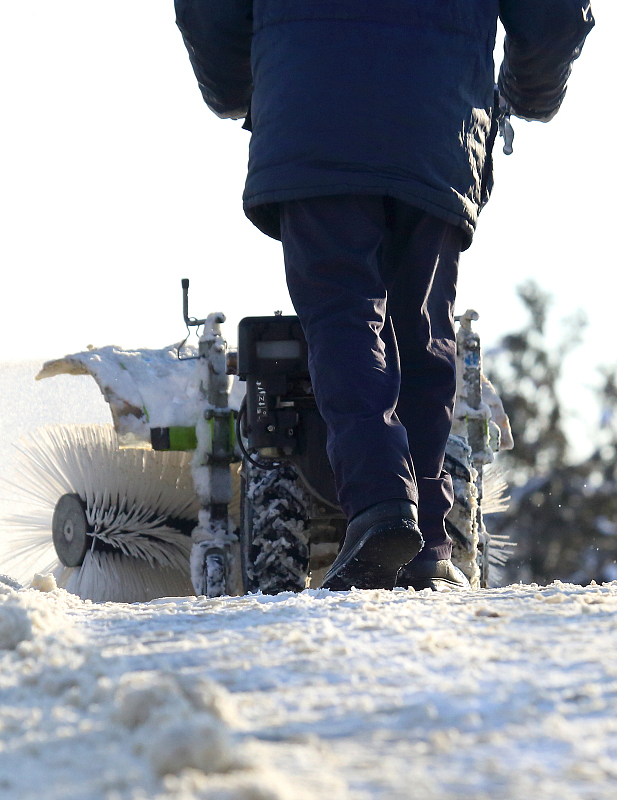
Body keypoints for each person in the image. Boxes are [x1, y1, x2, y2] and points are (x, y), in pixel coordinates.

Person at [175, 1, 594, 590]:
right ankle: (426, 540)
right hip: (439, 123)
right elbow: (555, 14)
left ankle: (381, 510)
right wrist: (528, 92)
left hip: (313, 114)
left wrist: (236, 87)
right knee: (422, 328)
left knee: (344, 314)